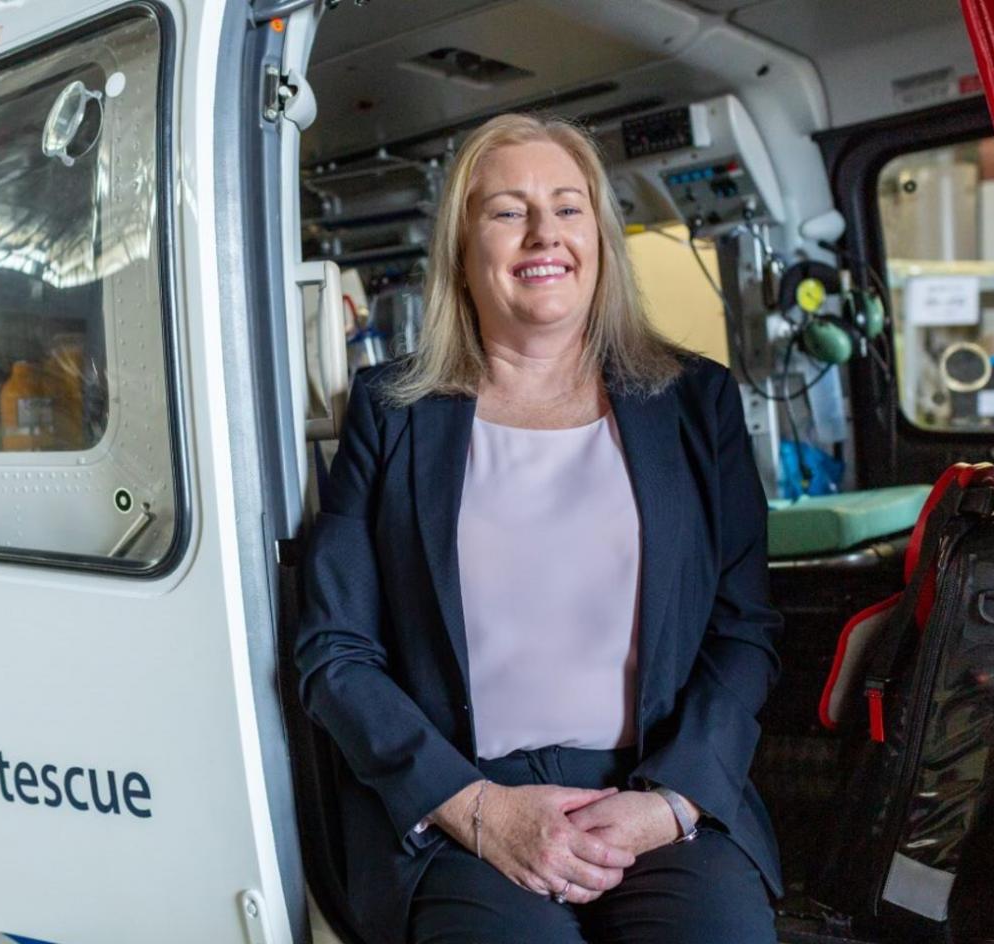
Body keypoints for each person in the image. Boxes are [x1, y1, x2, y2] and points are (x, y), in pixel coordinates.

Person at [295, 113, 782, 944]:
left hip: (655, 792)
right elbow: (334, 653)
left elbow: (745, 631)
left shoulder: (696, 401)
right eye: (507, 211)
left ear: (600, 239)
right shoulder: (392, 411)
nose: (543, 233)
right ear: (462, 250)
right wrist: (476, 807)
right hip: (460, 807)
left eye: (567, 207)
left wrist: (670, 803)